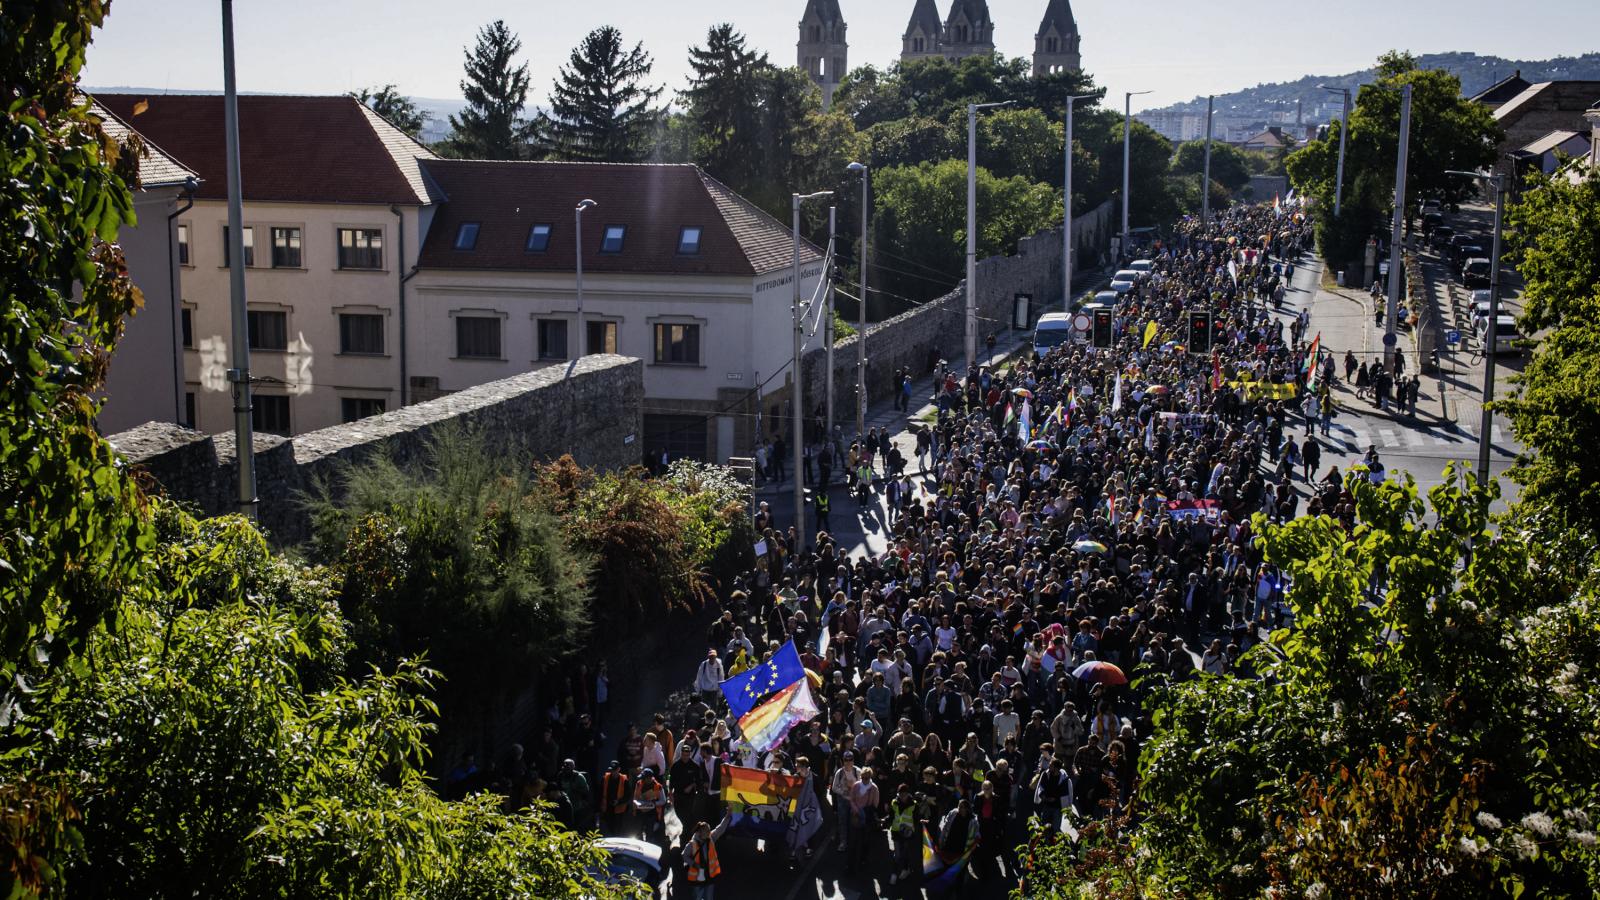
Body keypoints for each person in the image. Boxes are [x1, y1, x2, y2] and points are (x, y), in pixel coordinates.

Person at [683, 811, 732, 899]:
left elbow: (720, 828)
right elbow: (684, 856)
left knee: (709, 897)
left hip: (709, 876)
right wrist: (693, 864)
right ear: (700, 832)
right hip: (697, 877)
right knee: (697, 897)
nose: (709, 832)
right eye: (706, 831)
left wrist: (728, 816)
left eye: (708, 830)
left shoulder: (710, 838)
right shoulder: (691, 844)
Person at [887, 782, 919, 885]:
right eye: (901, 794)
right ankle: (894, 875)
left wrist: (917, 825)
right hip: (896, 831)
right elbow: (891, 816)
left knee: (905, 852)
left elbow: (916, 819)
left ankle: (905, 869)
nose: (903, 796)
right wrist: (884, 821)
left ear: (908, 794)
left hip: (907, 833)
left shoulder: (914, 804)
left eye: (905, 794)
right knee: (897, 854)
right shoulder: (894, 802)